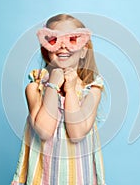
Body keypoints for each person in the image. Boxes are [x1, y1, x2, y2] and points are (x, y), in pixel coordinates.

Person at [11, 14, 106, 185]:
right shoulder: (35, 88)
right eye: (54, 41)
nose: (63, 47)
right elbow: (45, 131)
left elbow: (77, 134)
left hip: (79, 178)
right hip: (42, 179)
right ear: (46, 49)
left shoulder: (91, 91)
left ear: (84, 49)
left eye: (72, 40)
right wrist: (53, 85)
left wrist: (70, 90)